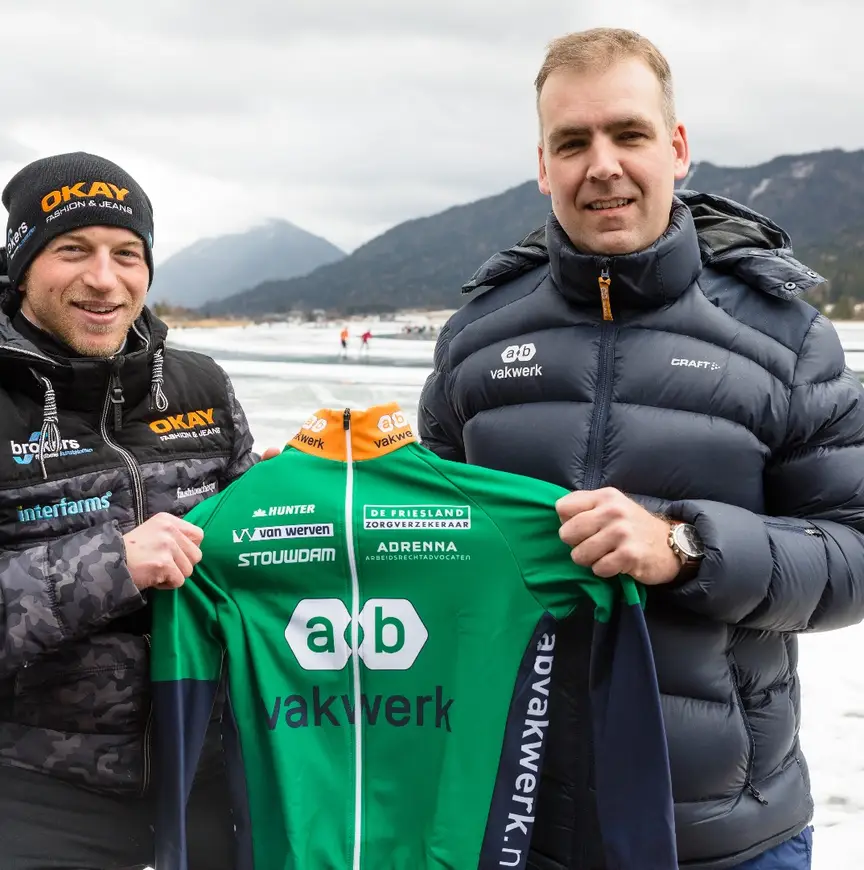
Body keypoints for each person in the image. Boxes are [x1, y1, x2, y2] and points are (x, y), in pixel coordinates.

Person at [418, 27, 864, 870]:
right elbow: (432, 547)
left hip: (723, 834)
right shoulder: (476, 341)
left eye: (628, 133)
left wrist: (687, 547)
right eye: (572, 142)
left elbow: (854, 550)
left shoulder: (785, 340)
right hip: (512, 825)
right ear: (543, 165)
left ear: (677, 148)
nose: (603, 166)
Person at [0, 151, 271, 869]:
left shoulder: (200, 386)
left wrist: (280, 505)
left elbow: (250, 575)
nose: (104, 278)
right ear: (22, 267)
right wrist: (109, 565)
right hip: (35, 795)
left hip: (206, 777)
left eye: (126, 253)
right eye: (72, 249)